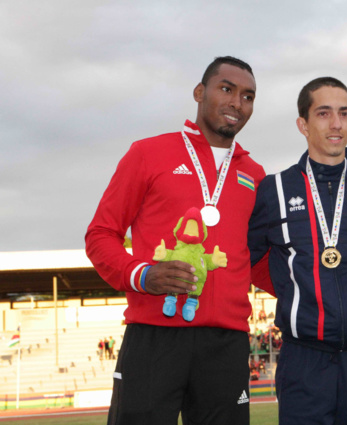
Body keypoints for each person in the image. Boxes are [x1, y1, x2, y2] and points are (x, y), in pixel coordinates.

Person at [85, 56, 273, 425]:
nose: (238, 102)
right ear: (199, 93)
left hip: (226, 342)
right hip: (155, 333)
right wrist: (142, 274)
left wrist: (320, 290)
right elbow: (101, 235)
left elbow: (257, 261)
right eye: (226, 89)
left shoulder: (255, 174)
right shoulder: (148, 154)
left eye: (248, 96)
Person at [249, 77, 347, 424]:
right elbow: (247, 259)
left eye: (344, 113)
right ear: (302, 124)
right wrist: (295, 290)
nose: (335, 124)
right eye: (323, 113)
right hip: (303, 359)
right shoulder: (273, 191)